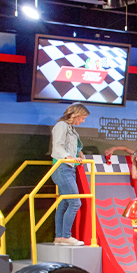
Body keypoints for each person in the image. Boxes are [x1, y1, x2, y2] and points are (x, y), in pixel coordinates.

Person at [50, 103, 90, 245]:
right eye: (83, 118)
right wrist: (68, 157)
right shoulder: (61, 126)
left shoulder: (72, 129)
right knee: (75, 202)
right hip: (62, 167)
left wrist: (80, 155)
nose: (83, 121)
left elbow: (76, 147)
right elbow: (58, 146)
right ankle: (66, 236)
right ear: (76, 115)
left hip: (68, 167)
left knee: (64, 203)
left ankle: (59, 237)